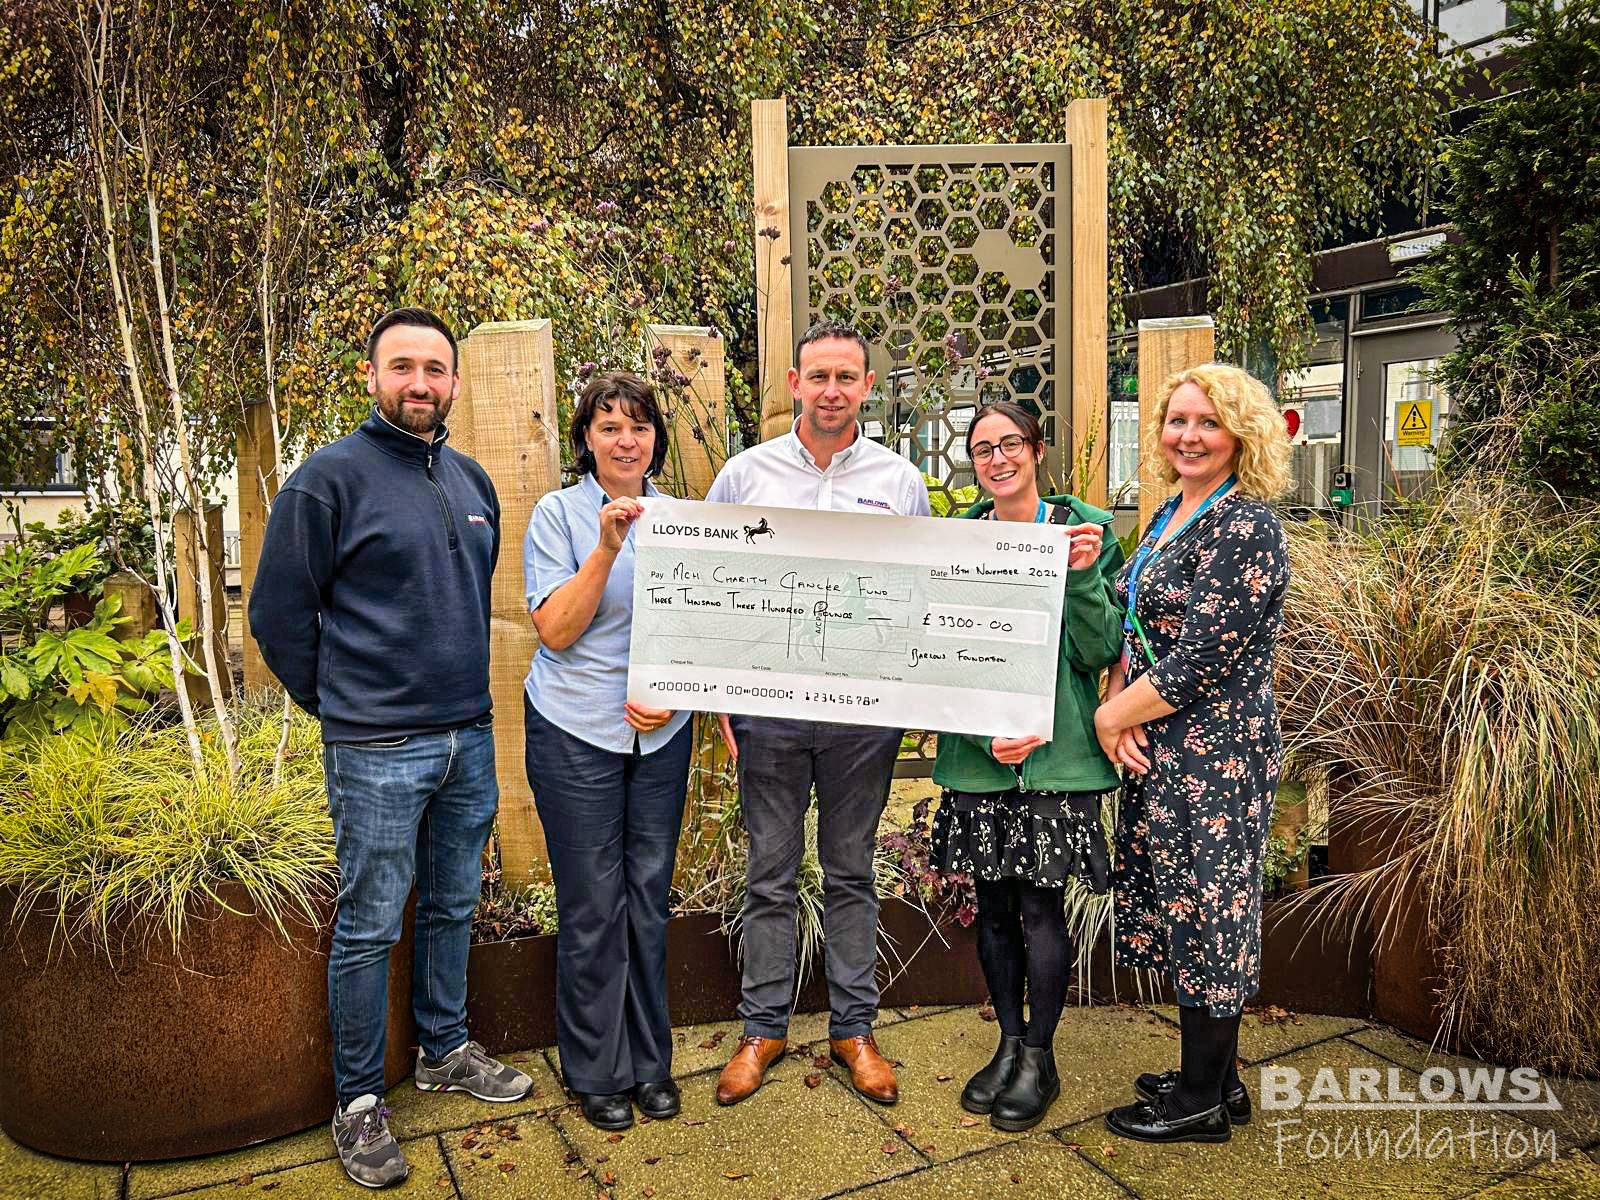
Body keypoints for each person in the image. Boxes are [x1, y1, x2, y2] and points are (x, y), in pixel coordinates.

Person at [250, 307, 532, 1190]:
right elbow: (277, 616)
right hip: (375, 748)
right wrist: (340, 704)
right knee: (371, 924)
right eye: (402, 366)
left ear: (454, 383)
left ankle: (443, 1050)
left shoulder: (472, 480)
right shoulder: (325, 482)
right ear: (371, 376)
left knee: (452, 904)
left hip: (468, 738)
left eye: (434, 369)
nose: (420, 382)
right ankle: (360, 1100)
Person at [707, 320, 930, 1107]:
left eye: (846, 377)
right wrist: (721, 694)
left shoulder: (900, 482)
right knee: (769, 872)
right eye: (819, 376)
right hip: (768, 711)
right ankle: (762, 1029)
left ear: (867, 386)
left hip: (862, 718)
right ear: (794, 384)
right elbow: (710, 584)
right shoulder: (745, 475)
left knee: (851, 871)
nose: (832, 391)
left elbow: (918, 591)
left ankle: (853, 1031)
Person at [1093, 363, 1292, 1145]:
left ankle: (1200, 1103)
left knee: (1212, 910)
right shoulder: (1173, 509)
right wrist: (1122, 700)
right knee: (1185, 903)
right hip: (1164, 741)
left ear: (1241, 435)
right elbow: (1136, 621)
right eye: (1178, 420)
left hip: (1217, 753)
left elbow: (1204, 657)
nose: (1189, 435)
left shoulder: (1246, 526)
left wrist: (1112, 716)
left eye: (1208, 422)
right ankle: (1218, 1079)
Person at [929, 401, 1125, 1132]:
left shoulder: (1084, 532)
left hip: (1059, 760)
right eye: (983, 448)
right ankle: (1008, 1042)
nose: (998, 458)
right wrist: (986, 737)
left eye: (1011, 443)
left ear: (1037, 450)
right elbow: (941, 656)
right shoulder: (959, 544)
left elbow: (1098, 650)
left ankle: (1040, 1056)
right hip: (981, 763)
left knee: (1041, 908)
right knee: (993, 907)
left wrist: (1082, 575)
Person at [521, 371, 691, 1131]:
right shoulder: (557, 515)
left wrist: (674, 695)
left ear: (656, 439)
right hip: (575, 728)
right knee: (593, 903)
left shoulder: (686, 522)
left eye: (640, 426)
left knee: (648, 898)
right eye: (610, 426)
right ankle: (596, 1070)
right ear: (586, 438)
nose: (626, 440)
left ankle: (650, 1063)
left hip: (662, 733)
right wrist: (605, 547)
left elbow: (705, 632)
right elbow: (557, 631)